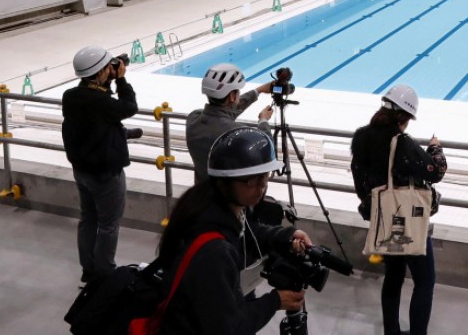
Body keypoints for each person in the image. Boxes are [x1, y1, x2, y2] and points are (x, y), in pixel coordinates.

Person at [155, 126, 309, 334]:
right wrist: (275, 301)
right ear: (226, 180)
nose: (261, 186)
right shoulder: (214, 251)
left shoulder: (216, 206)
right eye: (251, 180)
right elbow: (230, 328)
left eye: (265, 176)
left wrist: (285, 236)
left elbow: (248, 232)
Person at [350, 84, 447, 335]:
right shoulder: (401, 142)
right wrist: (435, 149)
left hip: (383, 219)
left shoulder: (362, 139)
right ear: (405, 117)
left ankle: (391, 332)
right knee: (425, 282)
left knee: (393, 278)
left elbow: (360, 183)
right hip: (408, 221)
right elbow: (435, 171)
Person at [61, 45, 138, 284]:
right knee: (108, 225)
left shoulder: (71, 96)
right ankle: (104, 274)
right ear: (101, 71)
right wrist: (122, 80)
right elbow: (128, 107)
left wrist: (107, 80)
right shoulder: (101, 102)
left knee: (89, 219)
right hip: (105, 174)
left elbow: (96, 123)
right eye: (109, 67)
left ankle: (88, 271)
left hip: (82, 172)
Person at [186, 63, 275, 186]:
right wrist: (263, 121)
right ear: (232, 96)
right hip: (228, 202)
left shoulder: (193, 120)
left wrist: (258, 91)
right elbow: (267, 150)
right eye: (237, 92)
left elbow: (222, 113)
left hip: (200, 197)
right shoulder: (237, 134)